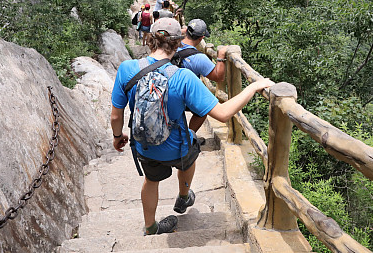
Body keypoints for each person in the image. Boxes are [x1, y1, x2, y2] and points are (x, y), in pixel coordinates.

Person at [111, 18, 273, 235]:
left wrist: (117, 136)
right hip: (176, 148)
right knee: (191, 147)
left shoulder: (126, 69)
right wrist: (252, 87)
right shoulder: (184, 77)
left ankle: (150, 227)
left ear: (150, 40)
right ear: (179, 43)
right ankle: (184, 196)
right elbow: (223, 114)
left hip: (144, 145)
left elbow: (115, 116)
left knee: (151, 180)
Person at [174, 19, 228, 132]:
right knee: (202, 111)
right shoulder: (199, 58)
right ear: (201, 38)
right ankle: (189, 137)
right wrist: (221, 56)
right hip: (183, 96)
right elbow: (219, 77)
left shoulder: (172, 44)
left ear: (186, 32)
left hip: (167, 90)